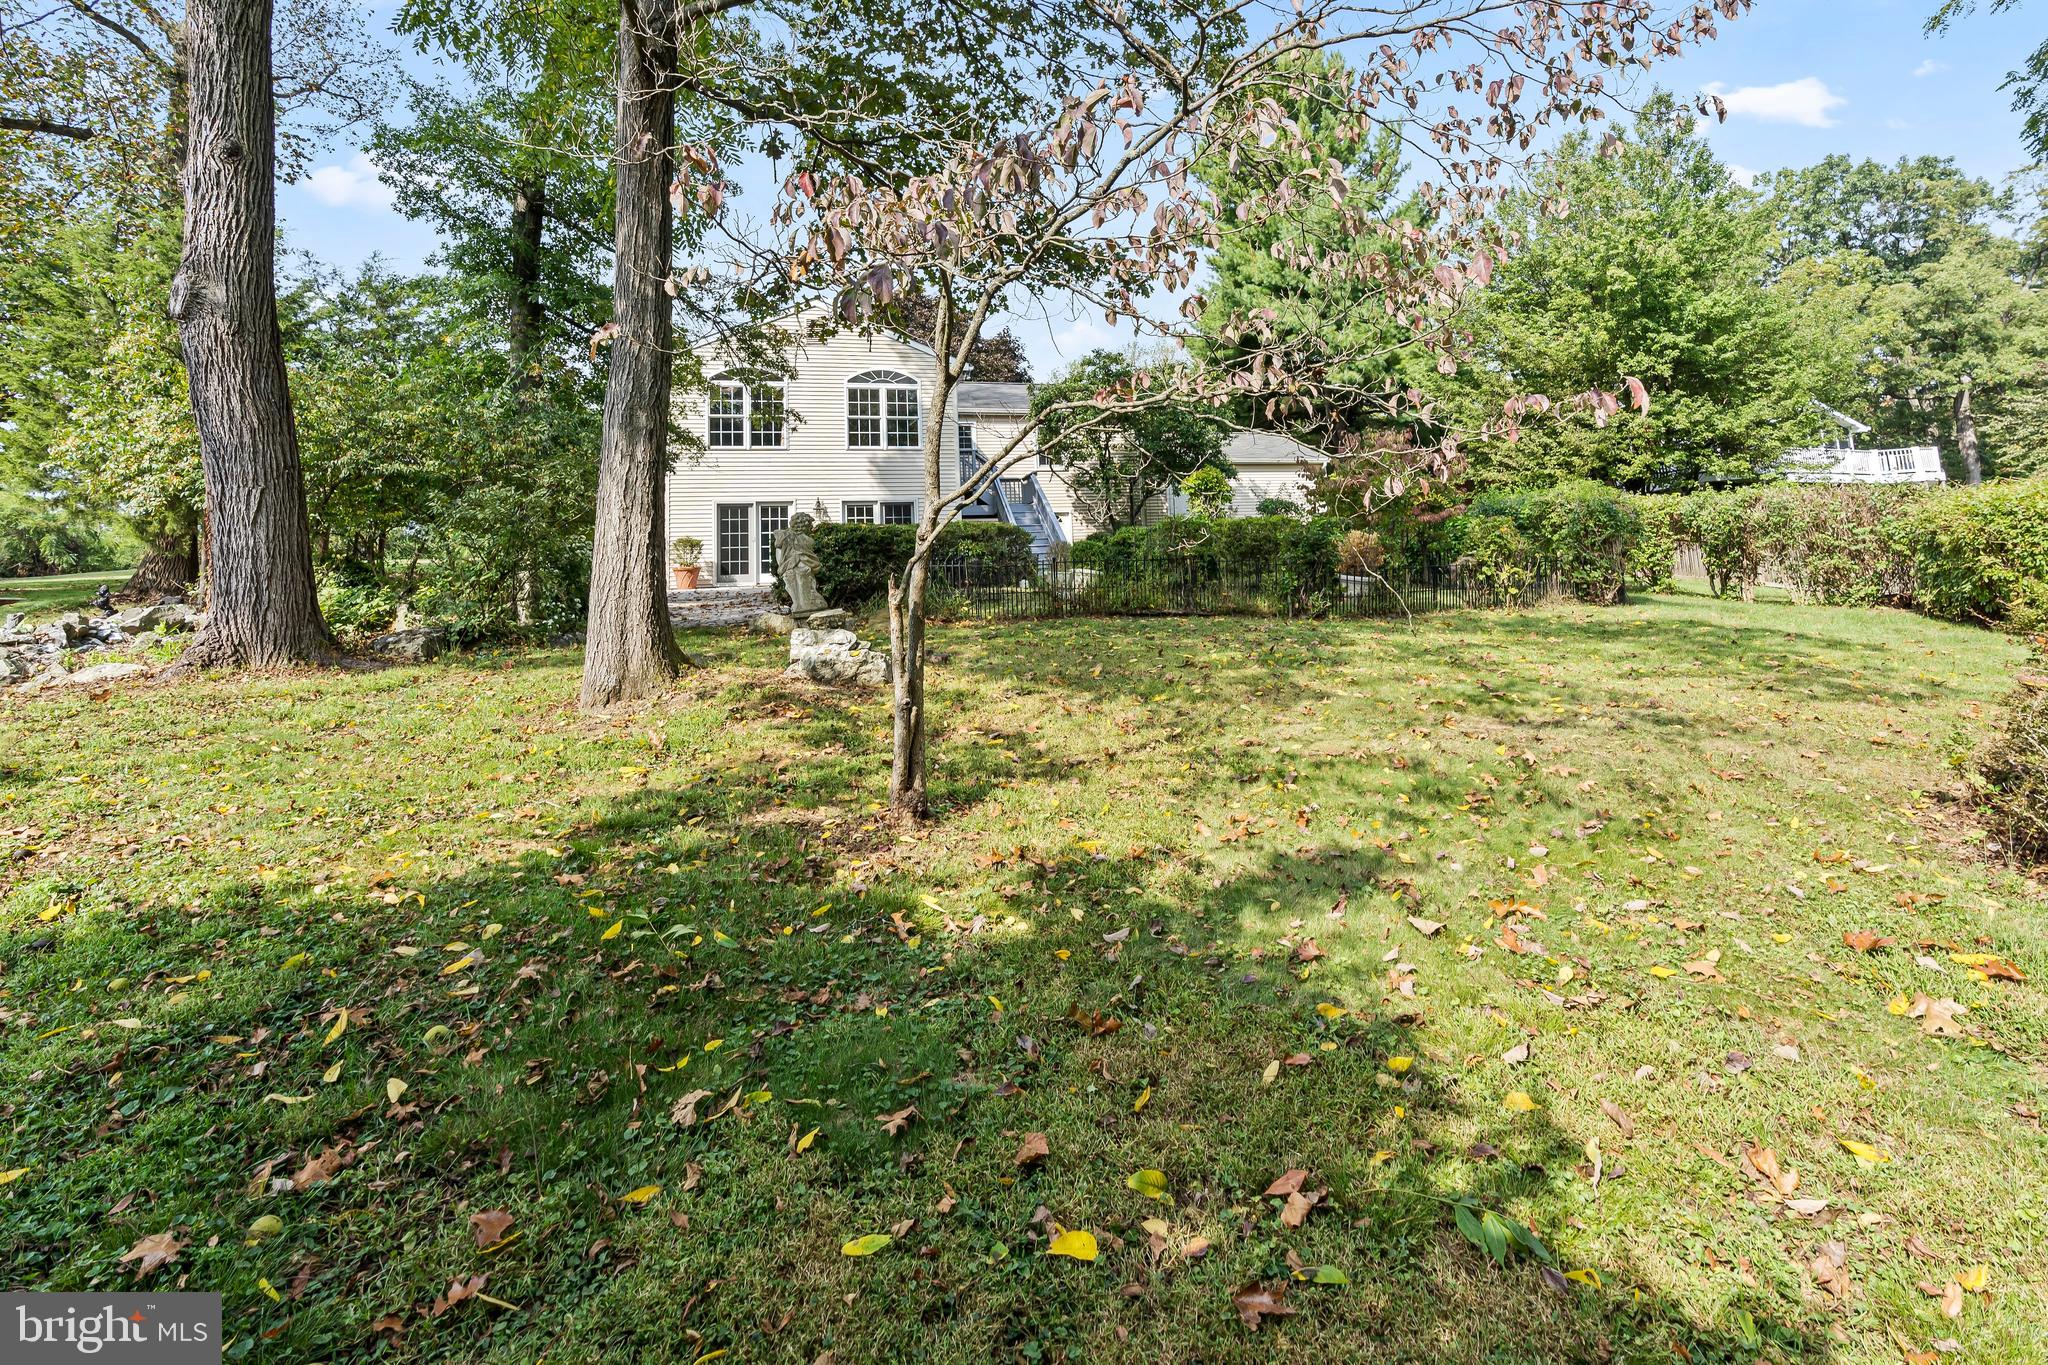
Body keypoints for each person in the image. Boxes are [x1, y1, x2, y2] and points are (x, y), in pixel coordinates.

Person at [777, 513, 828, 616]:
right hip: (792, 568)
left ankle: (802, 604)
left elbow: (779, 550)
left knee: (802, 578)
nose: (811, 528)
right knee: (799, 578)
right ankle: (801, 604)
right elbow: (779, 548)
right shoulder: (803, 540)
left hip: (795, 568)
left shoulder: (788, 536)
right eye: (810, 525)